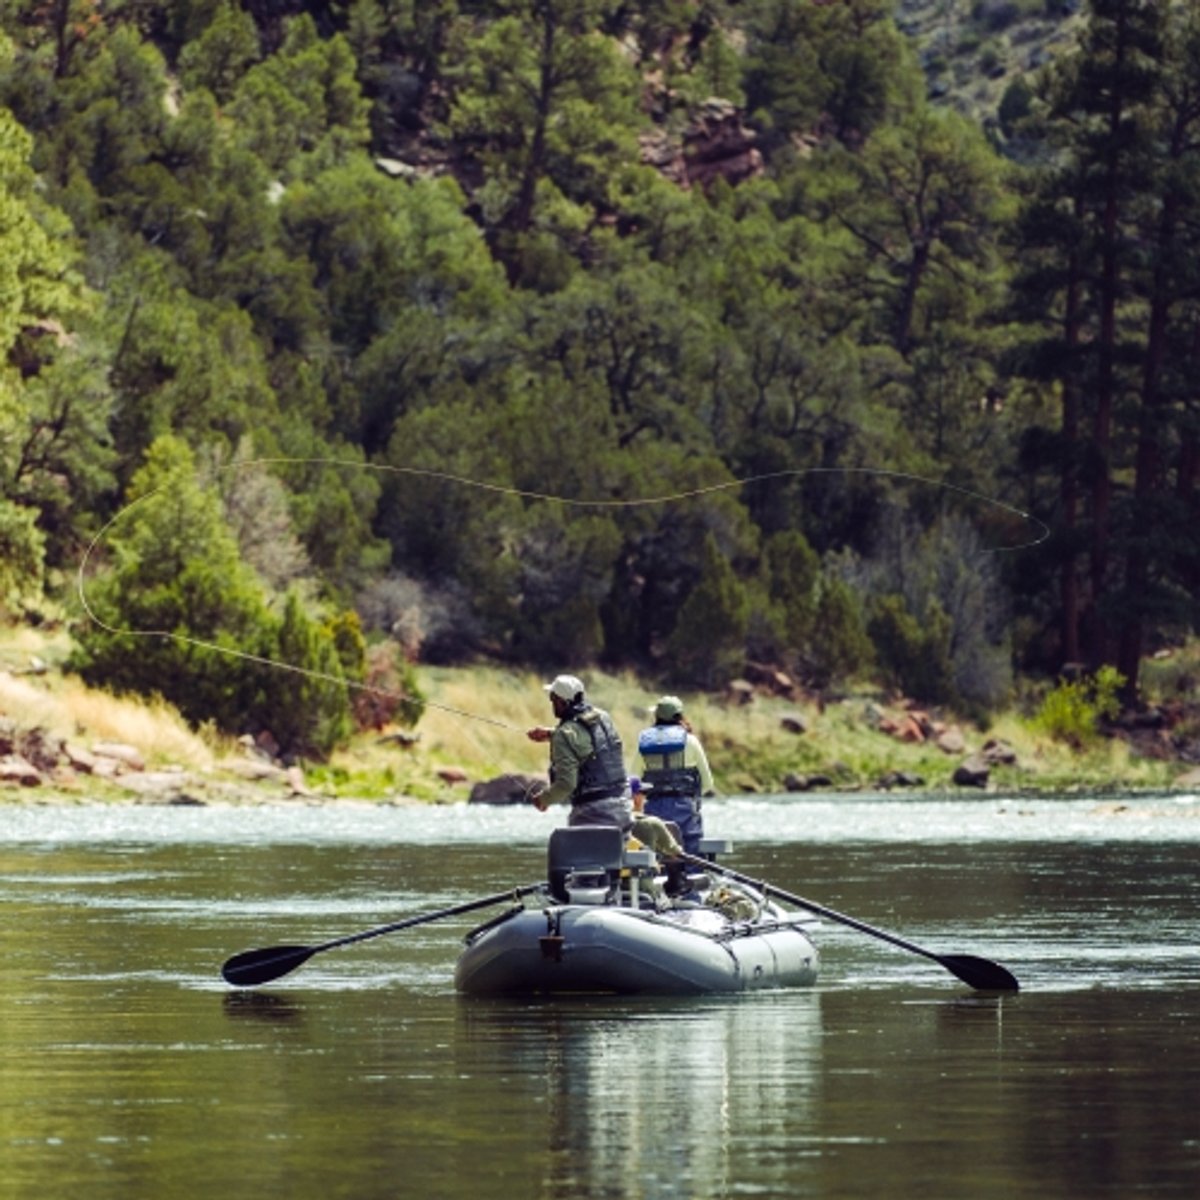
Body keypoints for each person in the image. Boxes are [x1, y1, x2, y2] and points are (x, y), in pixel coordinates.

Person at [527, 674, 632, 832]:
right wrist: (551, 734)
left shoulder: (564, 735)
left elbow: (567, 784)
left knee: (580, 854)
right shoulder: (603, 717)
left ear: (563, 702)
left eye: (553, 698)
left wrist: (543, 799)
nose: (552, 703)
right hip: (624, 807)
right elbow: (589, 741)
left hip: (592, 813)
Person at [637, 694, 714, 855]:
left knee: (655, 850)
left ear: (657, 716)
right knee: (690, 852)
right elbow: (708, 783)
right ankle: (691, 875)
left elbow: (634, 781)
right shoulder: (691, 740)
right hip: (684, 808)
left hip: (653, 809)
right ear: (679, 716)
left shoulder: (645, 742)